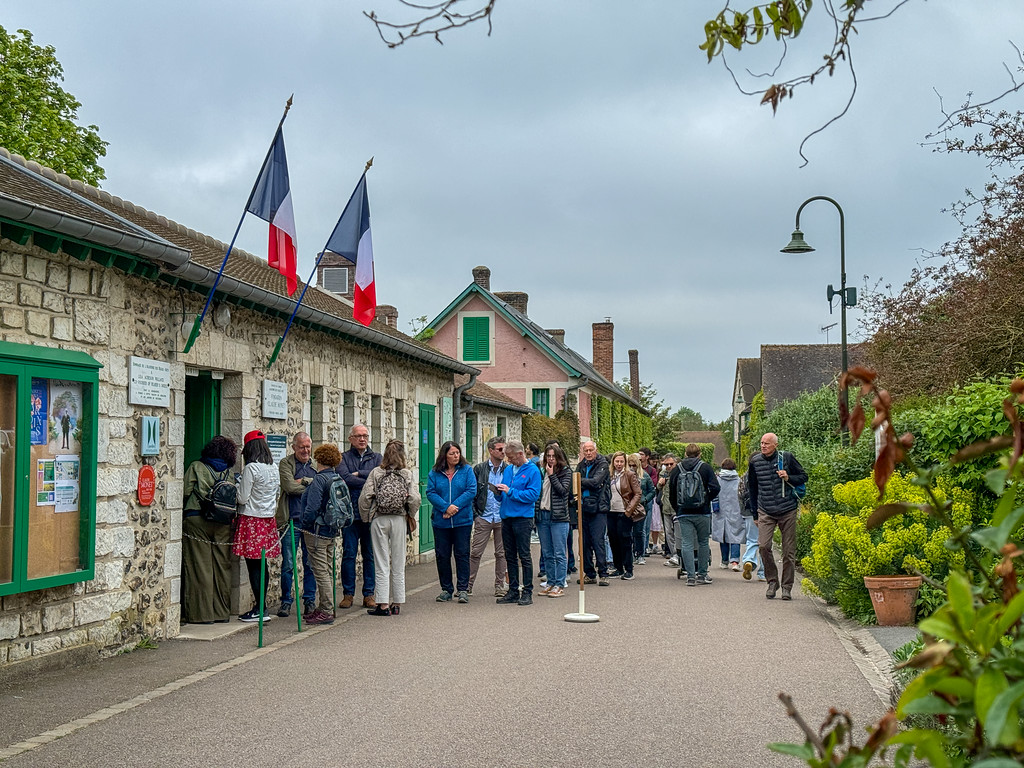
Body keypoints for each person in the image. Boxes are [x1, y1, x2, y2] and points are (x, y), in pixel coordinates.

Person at [358, 440, 420, 617]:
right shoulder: (406, 474)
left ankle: (383, 604)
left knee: (381, 562)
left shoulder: (376, 473)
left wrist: (366, 518)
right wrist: (410, 515)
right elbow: (415, 499)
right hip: (399, 519)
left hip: (379, 519)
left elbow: (364, 498)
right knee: (399, 562)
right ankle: (397, 603)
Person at [182, 436, 237, 624]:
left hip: (197, 519)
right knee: (222, 567)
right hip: (223, 522)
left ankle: (201, 614)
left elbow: (185, 491)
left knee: (200, 567)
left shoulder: (197, 467)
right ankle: (221, 613)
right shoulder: (229, 473)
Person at [747, 433, 807, 600]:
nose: (763, 446)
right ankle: (772, 581)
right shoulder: (755, 462)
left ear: (775, 445)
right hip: (765, 509)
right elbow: (752, 488)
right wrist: (754, 513)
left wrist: (789, 477)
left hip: (787, 509)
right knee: (763, 546)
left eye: (767, 443)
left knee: (788, 551)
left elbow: (804, 476)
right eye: (761, 443)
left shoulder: (786, 457)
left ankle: (787, 587)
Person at [233, 430, 281, 622]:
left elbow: (242, 497)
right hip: (268, 519)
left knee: (253, 565)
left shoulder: (251, 468)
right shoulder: (273, 467)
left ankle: (260, 609)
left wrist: (236, 485)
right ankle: (262, 606)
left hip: (252, 519)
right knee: (263, 564)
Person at [299, 443, 347, 625]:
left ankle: (326, 610)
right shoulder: (337, 478)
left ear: (319, 459)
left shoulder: (319, 480)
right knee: (327, 569)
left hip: (316, 532)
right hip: (331, 531)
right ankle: (325, 607)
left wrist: (305, 524)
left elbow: (312, 507)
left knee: (320, 571)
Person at [336, 424, 382, 610]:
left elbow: (379, 479)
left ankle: (369, 594)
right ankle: (348, 594)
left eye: (365, 436)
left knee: (369, 555)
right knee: (349, 554)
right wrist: (367, 479)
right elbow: (345, 478)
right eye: (358, 436)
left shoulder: (377, 457)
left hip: (371, 514)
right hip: (350, 513)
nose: (362, 439)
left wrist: (360, 474)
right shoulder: (343, 458)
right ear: (350, 439)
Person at [426, 441, 477, 603]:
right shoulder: (435, 473)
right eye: (452, 453)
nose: (456, 456)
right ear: (444, 456)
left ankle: (462, 589)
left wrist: (455, 507)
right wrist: (445, 508)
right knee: (442, 555)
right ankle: (446, 589)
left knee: (462, 554)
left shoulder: (467, 470)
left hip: (462, 521)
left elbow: (471, 490)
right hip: (441, 522)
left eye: (457, 453)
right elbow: (431, 492)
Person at [276, 432, 318, 618]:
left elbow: (320, 486)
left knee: (310, 563)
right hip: (291, 521)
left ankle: (309, 599)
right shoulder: (286, 463)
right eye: (301, 446)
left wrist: (304, 481)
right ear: (294, 447)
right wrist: (310, 485)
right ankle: (286, 601)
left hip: (310, 522)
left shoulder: (316, 465)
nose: (305, 450)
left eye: (308, 446)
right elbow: (289, 487)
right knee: (288, 564)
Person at [495, 440, 542, 605]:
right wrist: (498, 492)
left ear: (520, 454)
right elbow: (505, 491)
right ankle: (513, 590)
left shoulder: (533, 471)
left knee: (524, 555)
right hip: (507, 516)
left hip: (523, 518)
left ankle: (527, 591)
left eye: (510, 457)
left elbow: (532, 495)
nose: (508, 460)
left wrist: (511, 491)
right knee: (510, 555)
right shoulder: (508, 470)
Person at [668, 443, 720, 586]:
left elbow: (672, 491)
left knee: (687, 542)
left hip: (684, 512)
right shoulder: (705, 468)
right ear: (700, 453)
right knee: (703, 542)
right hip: (702, 512)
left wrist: (677, 508)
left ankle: (690, 576)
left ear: (685, 454)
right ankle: (702, 574)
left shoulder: (677, 469)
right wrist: (706, 500)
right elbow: (716, 488)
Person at [469, 436, 509, 597]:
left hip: (501, 517)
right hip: (484, 516)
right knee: (475, 552)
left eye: (504, 449)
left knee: (501, 553)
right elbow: (472, 492)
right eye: (500, 449)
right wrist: (476, 515)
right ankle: (467, 585)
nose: (503, 452)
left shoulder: (508, 469)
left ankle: (499, 585)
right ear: (491, 450)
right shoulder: (479, 469)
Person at [536, 444, 572, 598]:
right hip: (543, 515)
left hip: (558, 517)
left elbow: (563, 491)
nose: (550, 459)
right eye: (548, 456)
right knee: (547, 552)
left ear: (559, 457)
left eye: (553, 456)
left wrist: (552, 476)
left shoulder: (566, 472)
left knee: (559, 552)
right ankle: (550, 582)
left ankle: (559, 583)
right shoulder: (541, 472)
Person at [576, 441, 611, 587]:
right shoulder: (581, 464)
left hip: (598, 508)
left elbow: (596, 482)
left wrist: (580, 481)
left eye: (591, 450)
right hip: (583, 507)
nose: (588, 453)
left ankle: (603, 573)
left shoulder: (602, 463)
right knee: (584, 543)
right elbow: (574, 482)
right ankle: (589, 573)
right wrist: (583, 482)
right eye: (586, 450)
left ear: (595, 450)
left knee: (598, 541)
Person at [606, 451, 641, 580]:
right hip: (611, 512)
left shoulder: (629, 475)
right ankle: (618, 567)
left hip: (624, 512)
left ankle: (629, 569)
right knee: (613, 540)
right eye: (617, 461)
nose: (619, 464)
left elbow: (638, 493)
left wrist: (629, 510)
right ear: (613, 462)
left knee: (625, 540)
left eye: (621, 461)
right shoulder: (609, 475)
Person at [713, 458, 746, 571]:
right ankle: (735, 561)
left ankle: (724, 561)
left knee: (723, 535)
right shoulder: (739, 480)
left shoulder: (717, 479)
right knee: (735, 535)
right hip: (736, 511)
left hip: (720, 511)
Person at [738, 465, 766, 582]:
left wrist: (743, 510)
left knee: (752, 539)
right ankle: (763, 573)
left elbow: (739, 493)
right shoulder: (764, 474)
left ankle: (749, 559)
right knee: (766, 542)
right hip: (765, 511)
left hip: (749, 512)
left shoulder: (744, 477)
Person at [628, 453, 656, 564]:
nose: (631, 468)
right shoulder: (625, 476)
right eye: (629, 465)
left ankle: (640, 553)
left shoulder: (644, 476)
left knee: (639, 531)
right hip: (627, 507)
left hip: (640, 508)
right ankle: (631, 554)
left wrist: (645, 500)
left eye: (634, 465)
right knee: (628, 532)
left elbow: (652, 491)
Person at [658, 454, 679, 566]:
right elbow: (658, 487)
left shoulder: (680, 473)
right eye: (666, 464)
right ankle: (674, 555)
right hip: (666, 507)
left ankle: (680, 555)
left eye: (671, 464)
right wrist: (660, 483)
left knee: (678, 533)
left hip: (676, 508)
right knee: (668, 533)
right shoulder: (663, 473)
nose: (669, 466)